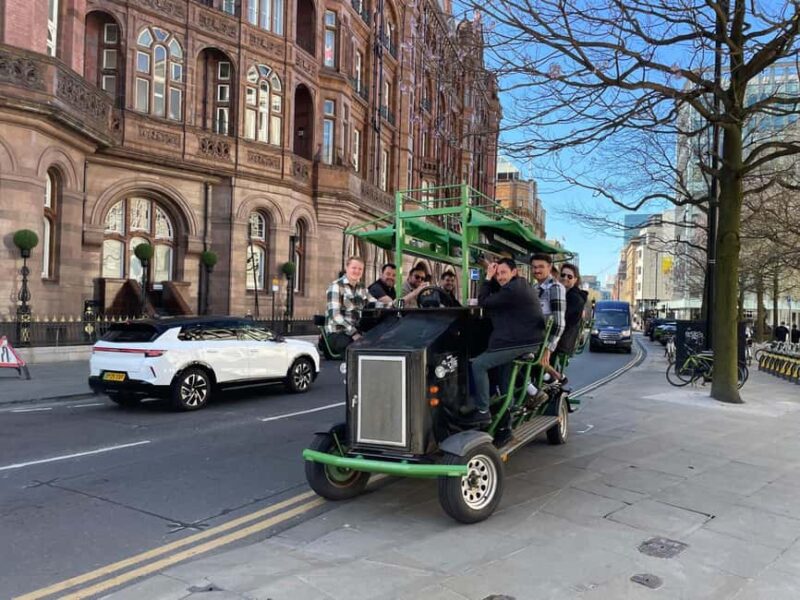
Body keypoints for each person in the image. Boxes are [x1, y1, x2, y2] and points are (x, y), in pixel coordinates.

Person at [466, 258, 545, 426]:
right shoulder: (519, 285)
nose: (500, 277)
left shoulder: (513, 289)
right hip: (527, 339)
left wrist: (488, 277)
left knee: (478, 364)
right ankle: (507, 414)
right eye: (498, 273)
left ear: (514, 272)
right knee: (503, 369)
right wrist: (492, 274)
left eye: (504, 273)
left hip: (519, 341)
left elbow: (484, 302)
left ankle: (482, 411)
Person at [324, 256, 390, 354]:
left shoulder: (361, 287)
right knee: (358, 352)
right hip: (337, 333)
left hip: (355, 331)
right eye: (354, 268)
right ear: (347, 268)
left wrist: (391, 305)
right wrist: (353, 333)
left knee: (378, 345)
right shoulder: (336, 286)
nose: (357, 271)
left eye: (360, 269)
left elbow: (374, 303)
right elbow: (335, 316)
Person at [543, 263, 588, 383]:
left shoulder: (575, 298)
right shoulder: (559, 292)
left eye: (570, 276)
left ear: (575, 280)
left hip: (562, 340)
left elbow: (561, 321)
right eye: (563, 275)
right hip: (556, 337)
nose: (565, 278)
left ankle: (552, 378)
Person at [530, 253, 566, 369]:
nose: (537, 270)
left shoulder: (555, 287)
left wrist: (548, 348)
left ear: (549, 267)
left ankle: (553, 378)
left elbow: (559, 322)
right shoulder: (534, 288)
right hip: (533, 339)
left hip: (542, 343)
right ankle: (554, 378)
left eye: (541, 266)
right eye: (534, 267)